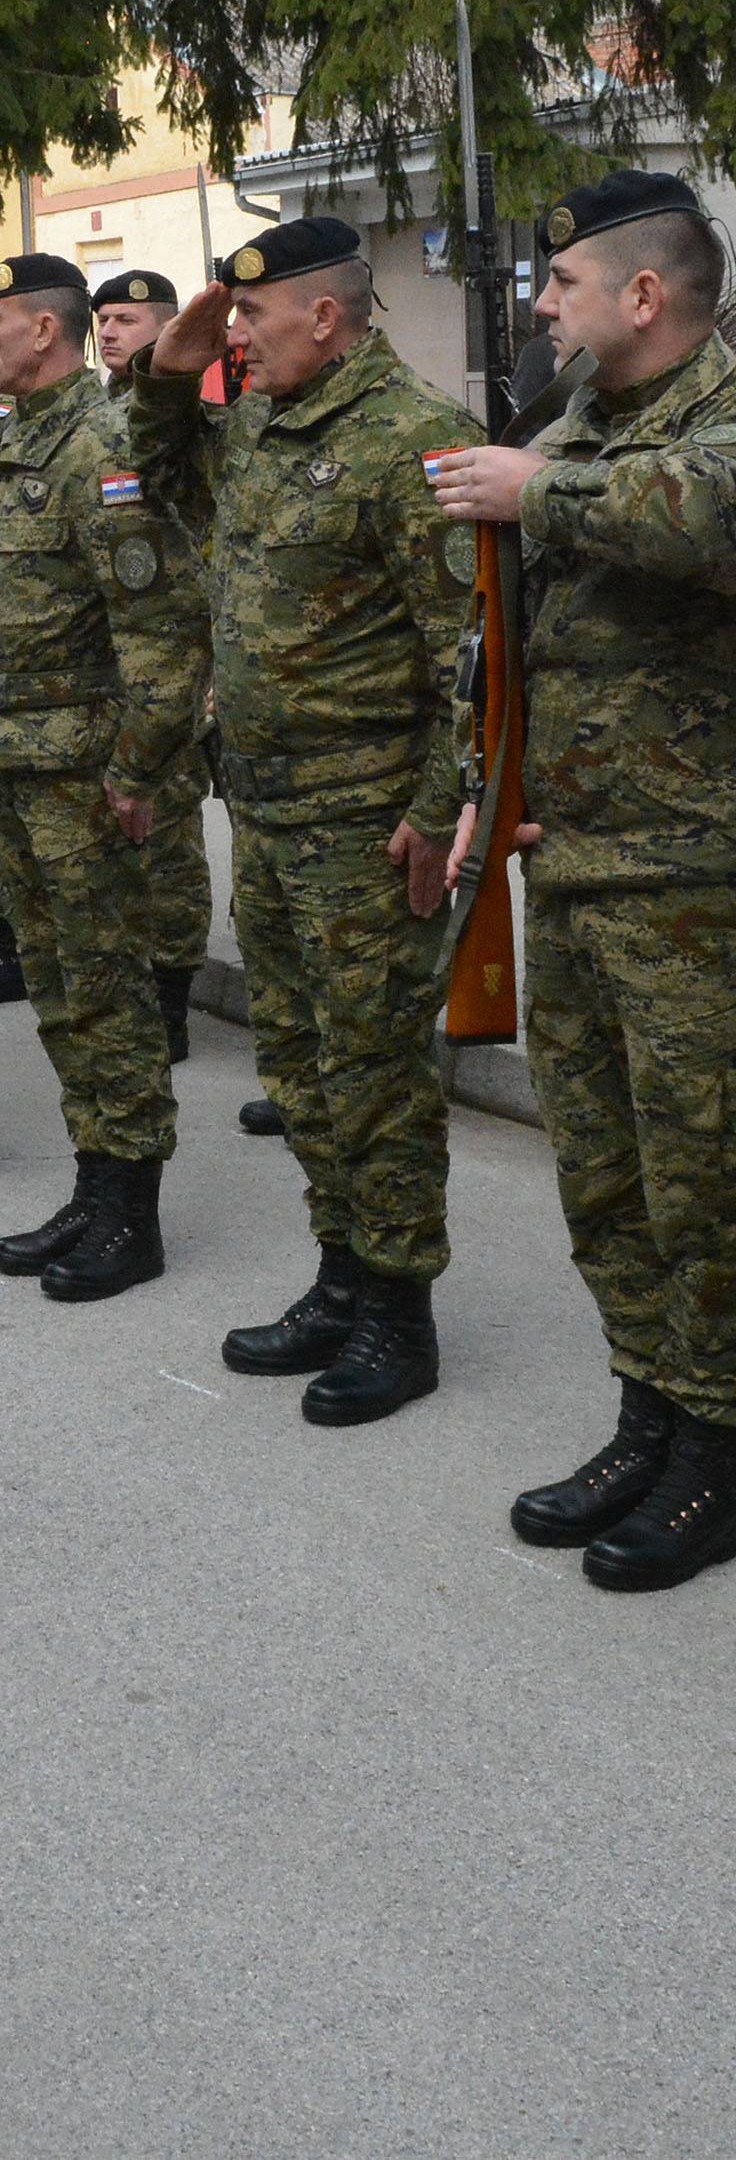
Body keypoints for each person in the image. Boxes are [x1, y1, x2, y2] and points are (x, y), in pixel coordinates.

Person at [434, 171, 736, 1591]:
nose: (538, 307)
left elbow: (707, 517)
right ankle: (650, 1411)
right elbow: (502, 641)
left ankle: (719, 1452)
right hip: (573, 864)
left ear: (643, 296)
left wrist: (536, 490)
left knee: (708, 1185)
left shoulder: (702, 424)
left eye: (559, 286)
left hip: (697, 881)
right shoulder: (572, 430)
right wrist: (475, 799)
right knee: (608, 1177)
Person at [132, 218, 479, 1424]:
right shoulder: (270, 425)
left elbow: (470, 661)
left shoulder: (410, 437)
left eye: (252, 317)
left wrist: (440, 814)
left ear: (324, 317)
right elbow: (161, 461)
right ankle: (341, 1273)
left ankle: (400, 1314)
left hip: (366, 823)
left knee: (375, 1073)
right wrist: (176, 361)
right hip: (270, 812)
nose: (237, 334)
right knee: (301, 1063)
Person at [0, 254, 210, 1294]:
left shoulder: (103, 446)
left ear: (46, 329)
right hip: (12, 760)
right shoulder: (15, 435)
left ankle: (133, 1210)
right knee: (59, 991)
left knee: (108, 990)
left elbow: (163, 630)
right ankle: (95, 1184)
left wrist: (137, 771)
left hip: (82, 771)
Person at [92, 269, 215, 1062]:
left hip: (172, 659)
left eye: (128, 318)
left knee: (169, 840)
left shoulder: (190, 427)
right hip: (107, 661)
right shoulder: (91, 419)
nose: (108, 330)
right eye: (100, 318)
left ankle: (173, 998)